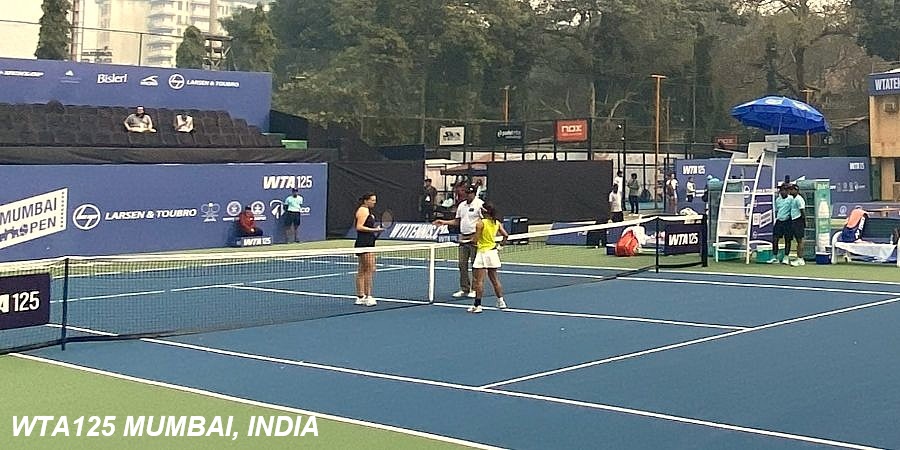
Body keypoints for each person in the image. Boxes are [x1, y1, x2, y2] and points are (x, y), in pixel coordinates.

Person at [433, 185, 484, 298]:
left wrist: (477, 236)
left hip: (475, 238)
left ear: (474, 193)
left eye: (469, 193)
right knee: (462, 264)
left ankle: (475, 289)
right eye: (466, 193)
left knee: (476, 265)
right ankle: (464, 289)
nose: (467, 195)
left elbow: (484, 222)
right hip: (463, 237)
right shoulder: (461, 205)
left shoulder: (480, 204)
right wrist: (443, 222)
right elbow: (457, 221)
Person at [469, 202, 509, 313]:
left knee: (479, 281)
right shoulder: (496, 223)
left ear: (484, 211)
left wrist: (469, 241)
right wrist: (500, 247)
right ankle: (501, 301)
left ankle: (477, 306)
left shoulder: (480, 223)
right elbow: (505, 235)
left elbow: (475, 240)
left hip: (483, 253)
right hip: (493, 253)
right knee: (495, 279)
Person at [354, 193, 383, 307]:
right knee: (369, 269)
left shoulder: (367, 211)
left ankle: (360, 297)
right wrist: (374, 230)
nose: (374, 202)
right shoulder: (363, 211)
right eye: (372, 200)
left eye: (375, 200)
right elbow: (359, 227)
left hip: (368, 242)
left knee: (363, 269)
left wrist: (375, 229)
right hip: (364, 243)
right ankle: (368, 296)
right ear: (366, 201)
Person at [769, 185, 793, 264]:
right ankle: (775, 256)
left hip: (788, 221)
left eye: (785, 190)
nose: (783, 192)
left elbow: (793, 210)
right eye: (781, 190)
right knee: (775, 239)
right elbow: (777, 210)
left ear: (787, 191)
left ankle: (786, 257)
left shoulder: (791, 199)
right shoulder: (778, 200)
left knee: (787, 240)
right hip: (779, 221)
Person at [788, 184, 807, 266]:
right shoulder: (794, 199)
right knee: (798, 241)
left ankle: (800, 259)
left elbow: (802, 211)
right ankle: (799, 258)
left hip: (798, 221)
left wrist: (804, 222)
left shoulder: (799, 199)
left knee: (800, 241)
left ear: (796, 190)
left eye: (792, 190)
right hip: (794, 221)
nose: (790, 191)